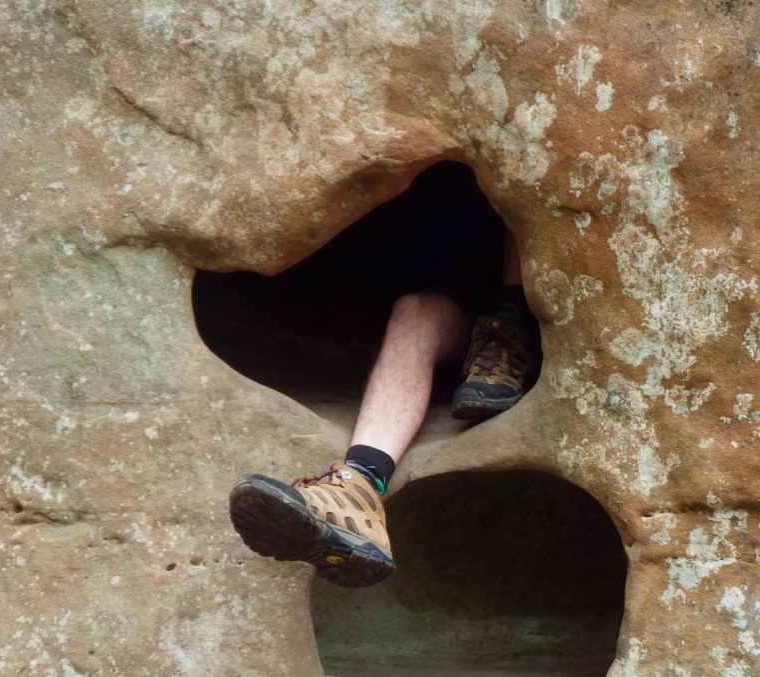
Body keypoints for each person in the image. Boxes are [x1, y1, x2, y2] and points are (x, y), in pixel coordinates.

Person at [229, 168, 535, 588]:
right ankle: (358, 489)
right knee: (413, 314)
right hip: (475, 301)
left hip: (576, 309)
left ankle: (511, 326)